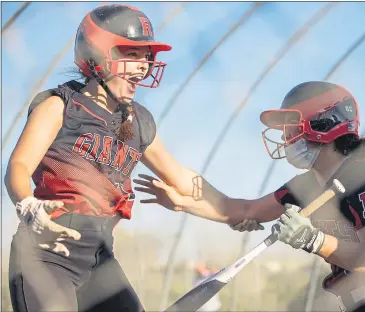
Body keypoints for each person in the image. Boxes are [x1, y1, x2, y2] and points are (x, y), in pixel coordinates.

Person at [5, 4, 238, 312]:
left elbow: (181, 177)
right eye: (132, 55)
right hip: (47, 254)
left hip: (100, 259)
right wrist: (29, 206)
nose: (143, 66)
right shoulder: (61, 105)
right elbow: (18, 166)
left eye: (147, 58)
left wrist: (239, 210)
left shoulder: (138, 122)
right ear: (97, 56)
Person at [134, 81, 365, 312]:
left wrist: (312, 239)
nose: (286, 137)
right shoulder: (308, 185)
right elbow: (242, 211)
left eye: (292, 126)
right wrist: (185, 204)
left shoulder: (363, 181)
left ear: (323, 123)